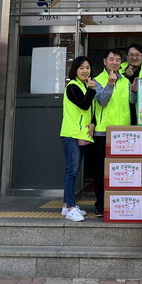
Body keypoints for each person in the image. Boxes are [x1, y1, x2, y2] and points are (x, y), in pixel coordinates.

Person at [91, 49, 136, 217]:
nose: (115, 62)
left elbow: (131, 102)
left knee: (122, 171)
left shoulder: (125, 80)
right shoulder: (97, 80)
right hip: (104, 132)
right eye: (111, 59)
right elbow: (102, 101)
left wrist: (134, 90)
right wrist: (110, 83)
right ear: (104, 61)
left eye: (118, 59)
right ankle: (100, 205)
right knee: (101, 171)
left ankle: (119, 205)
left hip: (124, 133)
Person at [60, 56, 95, 222]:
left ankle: (66, 205)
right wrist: (92, 90)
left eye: (87, 67)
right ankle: (71, 208)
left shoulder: (83, 85)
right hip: (71, 134)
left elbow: (90, 110)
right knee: (71, 172)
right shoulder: (72, 86)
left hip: (79, 134)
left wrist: (93, 123)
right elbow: (84, 105)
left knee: (73, 171)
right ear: (75, 70)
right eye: (81, 68)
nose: (85, 71)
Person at [120, 43, 142, 125]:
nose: (134, 58)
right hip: (120, 117)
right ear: (127, 57)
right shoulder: (117, 73)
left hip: (141, 118)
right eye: (131, 55)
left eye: (137, 55)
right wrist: (126, 76)